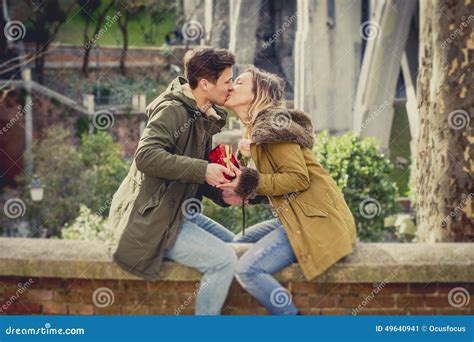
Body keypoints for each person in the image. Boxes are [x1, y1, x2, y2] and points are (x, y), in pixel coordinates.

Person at [108, 47, 243, 315]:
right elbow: (146, 156)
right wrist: (204, 169)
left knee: (238, 246)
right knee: (224, 260)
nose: (231, 87)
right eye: (227, 81)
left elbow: (195, 175)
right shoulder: (172, 110)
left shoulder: (202, 115)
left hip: (180, 214)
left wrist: (224, 194)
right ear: (205, 84)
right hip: (151, 221)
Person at [220, 65, 357, 315]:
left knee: (247, 269)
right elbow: (273, 180)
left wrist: (251, 181)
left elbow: (297, 179)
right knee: (236, 244)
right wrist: (241, 189)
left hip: (310, 221)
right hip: (290, 216)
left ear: (257, 92)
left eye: (239, 82)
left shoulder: (273, 125)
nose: (231, 86)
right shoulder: (256, 131)